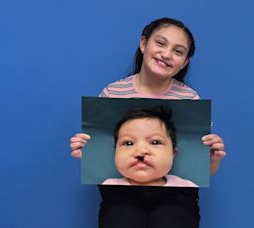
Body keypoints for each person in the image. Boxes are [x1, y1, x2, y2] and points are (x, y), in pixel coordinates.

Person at [70, 17, 226, 228]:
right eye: (160, 43)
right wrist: (87, 152)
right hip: (121, 192)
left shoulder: (190, 100)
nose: (166, 54)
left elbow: (196, 166)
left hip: (176, 195)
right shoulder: (112, 93)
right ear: (144, 44)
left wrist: (213, 160)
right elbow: (103, 151)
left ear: (185, 62)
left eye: (178, 51)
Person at [102, 107, 198, 187]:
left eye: (155, 142)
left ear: (173, 153)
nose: (141, 152)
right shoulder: (109, 185)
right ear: (115, 153)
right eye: (128, 143)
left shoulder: (186, 186)